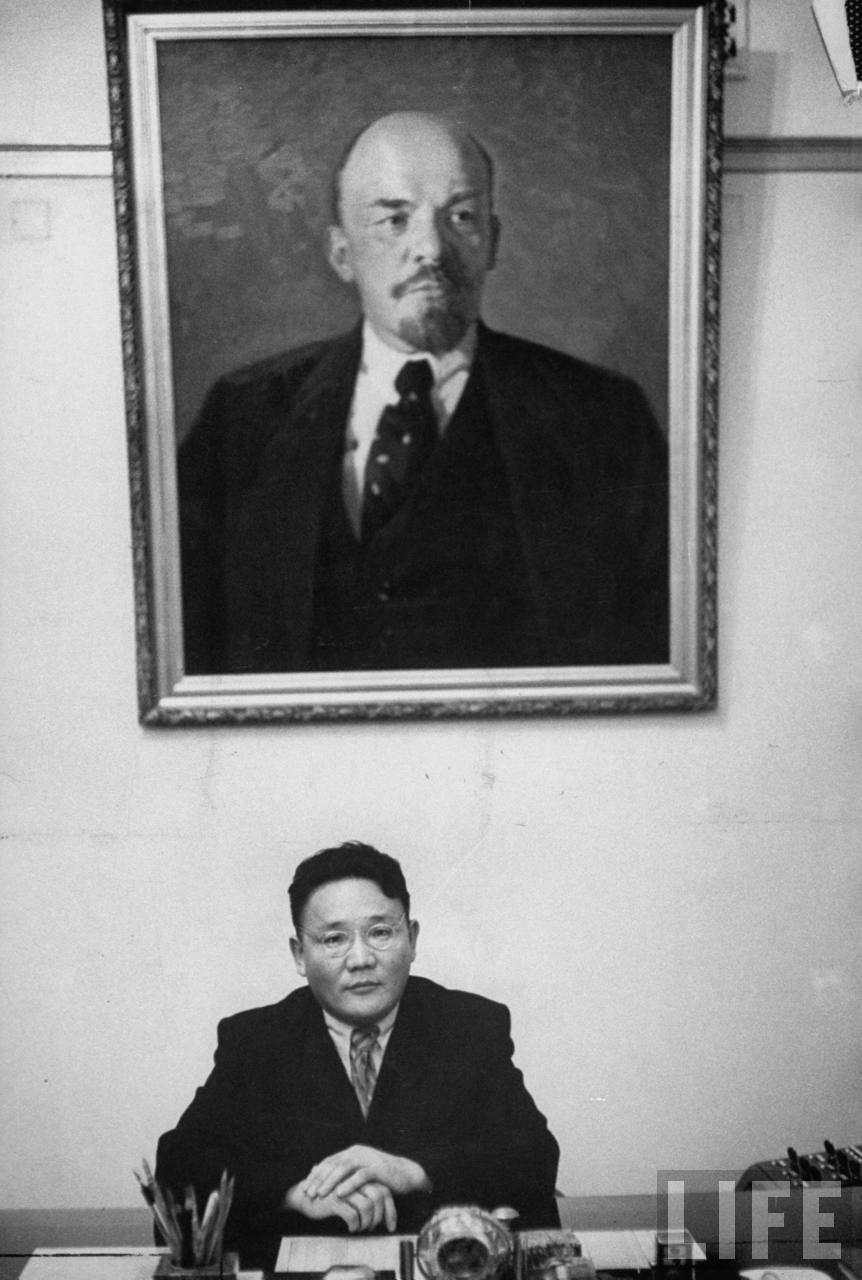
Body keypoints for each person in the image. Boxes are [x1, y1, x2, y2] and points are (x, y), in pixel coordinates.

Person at [179, 111, 668, 675]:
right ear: (341, 253)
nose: (432, 249)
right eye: (394, 219)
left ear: (492, 241)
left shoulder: (604, 420)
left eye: (461, 217)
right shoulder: (242, 416)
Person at [155, 842, 561, 1268]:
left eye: (380, 932)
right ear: (299, 955)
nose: (361, 959)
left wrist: (412, 1171)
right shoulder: (256, 1040)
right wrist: (294, 1193)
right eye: (334, 939)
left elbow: (533, 1155)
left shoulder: (469, 1025)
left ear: (412, 938)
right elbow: (178, 1168)